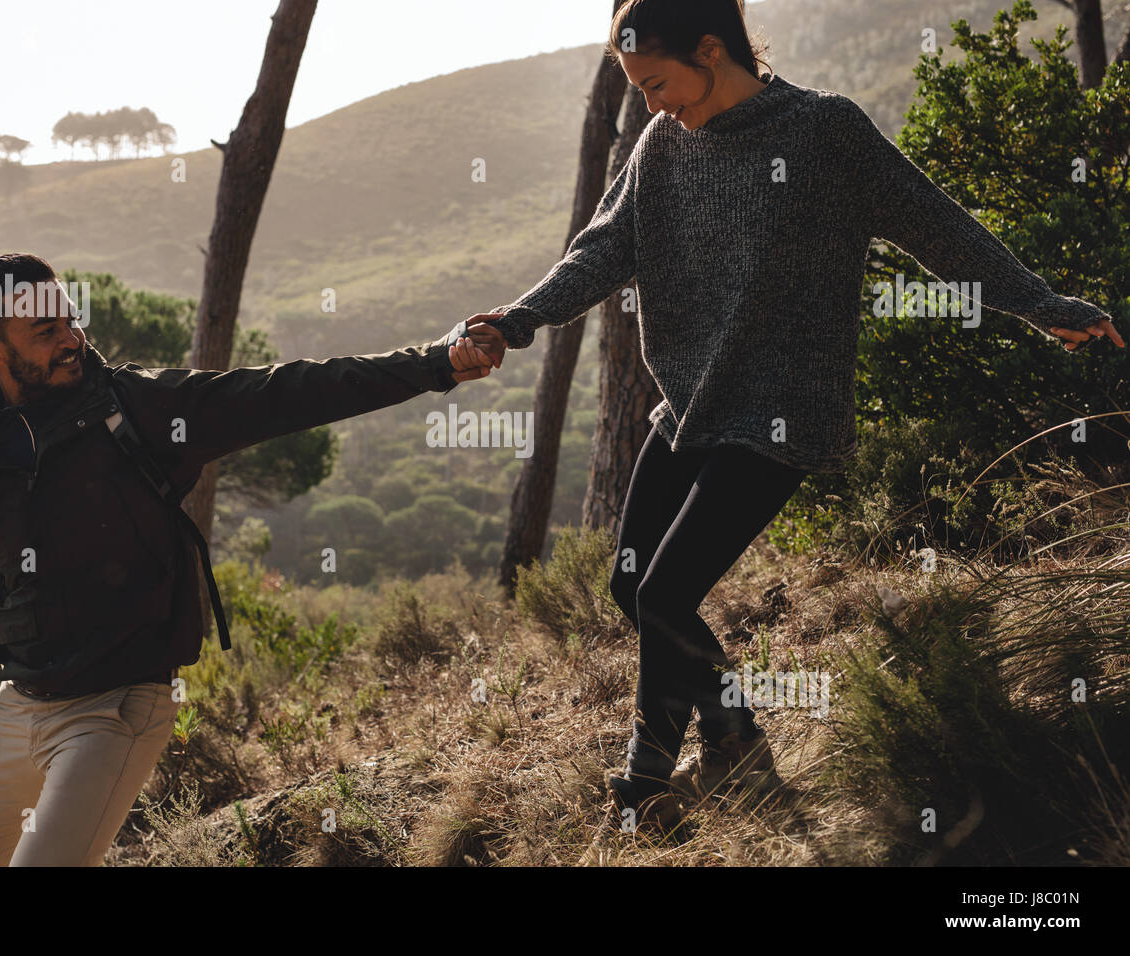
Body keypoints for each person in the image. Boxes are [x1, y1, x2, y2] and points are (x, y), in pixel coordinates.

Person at [465, 0, 1124, 828]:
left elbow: (937, 228)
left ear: (712, 48)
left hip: (780, 410)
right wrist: (515, 319)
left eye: (658, 82)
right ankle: (732, 726)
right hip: (690, 408)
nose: (652, 104)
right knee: (632, 587)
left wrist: (1037, 302)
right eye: (636, 89)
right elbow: (601, 249)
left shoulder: (824, 133)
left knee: (666, 594)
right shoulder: (662, 145)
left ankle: (647, 783)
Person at [0, 251, 501, 865]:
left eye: (69, 319)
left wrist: (437, 363)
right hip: (16, 705)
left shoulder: (137, 409)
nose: (71, 340)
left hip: (114, 709)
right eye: (45, 331)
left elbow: (291, 392)